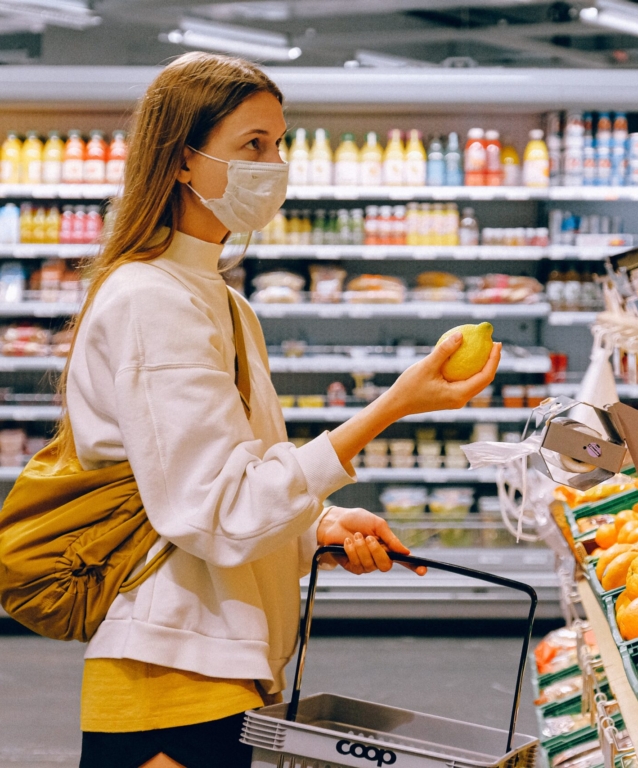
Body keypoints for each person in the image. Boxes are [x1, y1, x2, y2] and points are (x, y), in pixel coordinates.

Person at [65, 52, 500, 768]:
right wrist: (390, 407)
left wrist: (313, 526)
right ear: (181, 160)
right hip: (170, 676)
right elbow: (215, 509)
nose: (275, 164)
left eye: (280, 143)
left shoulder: (221, 302)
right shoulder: (152, 301)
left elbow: (226, 484)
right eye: (253, 146)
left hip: (219, 666)